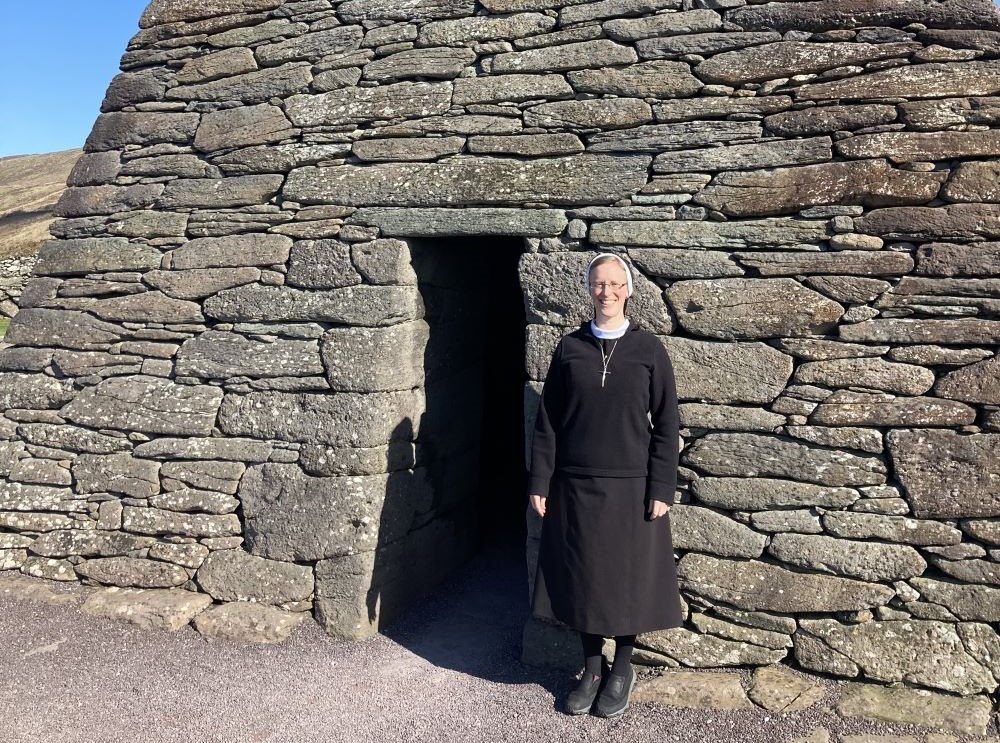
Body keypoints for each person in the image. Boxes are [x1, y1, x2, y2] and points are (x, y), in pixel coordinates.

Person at [527, 252, 682, 719]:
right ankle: (592, 668)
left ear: (629, 289)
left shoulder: (649, 350)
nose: (607, 292)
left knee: (627, 580)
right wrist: (541, 479)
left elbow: (667, 425)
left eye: (616, 284)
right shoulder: (569, 348)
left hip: (632, 487)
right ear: (589, 289)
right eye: (599, 284)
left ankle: (623, 668)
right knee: (585, 578)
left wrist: (661, 487)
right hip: (575, 485)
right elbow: (548, 421)